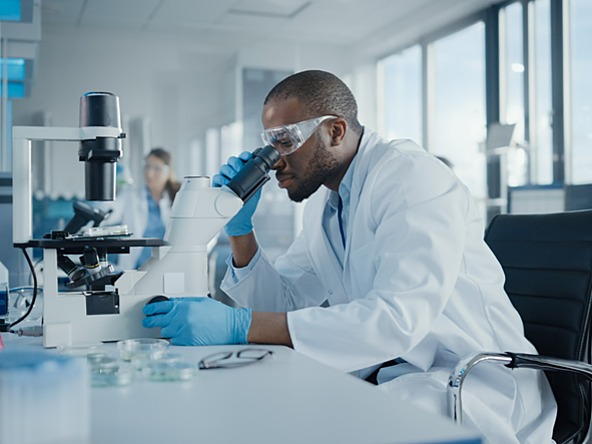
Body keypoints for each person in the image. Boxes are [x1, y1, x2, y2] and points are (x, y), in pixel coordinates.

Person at [143, 70, 557, 443]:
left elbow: (396, 319)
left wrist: (238, 323)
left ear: (335, 131)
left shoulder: (412, 178)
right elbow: (282, 305)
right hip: (397, 375)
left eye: (284, 141)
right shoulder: (326, 205)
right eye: (268, 144)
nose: (274, 163)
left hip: (472, 383)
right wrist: (239, 230)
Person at [108, 148, 180, 269]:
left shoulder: (178, 196)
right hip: (137, 265)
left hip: (167, 266)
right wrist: (111, 185)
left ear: (168, 172)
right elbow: (108, 215)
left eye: (157, 168)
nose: (149, 173)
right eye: (147, 167)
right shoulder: (131, 195)